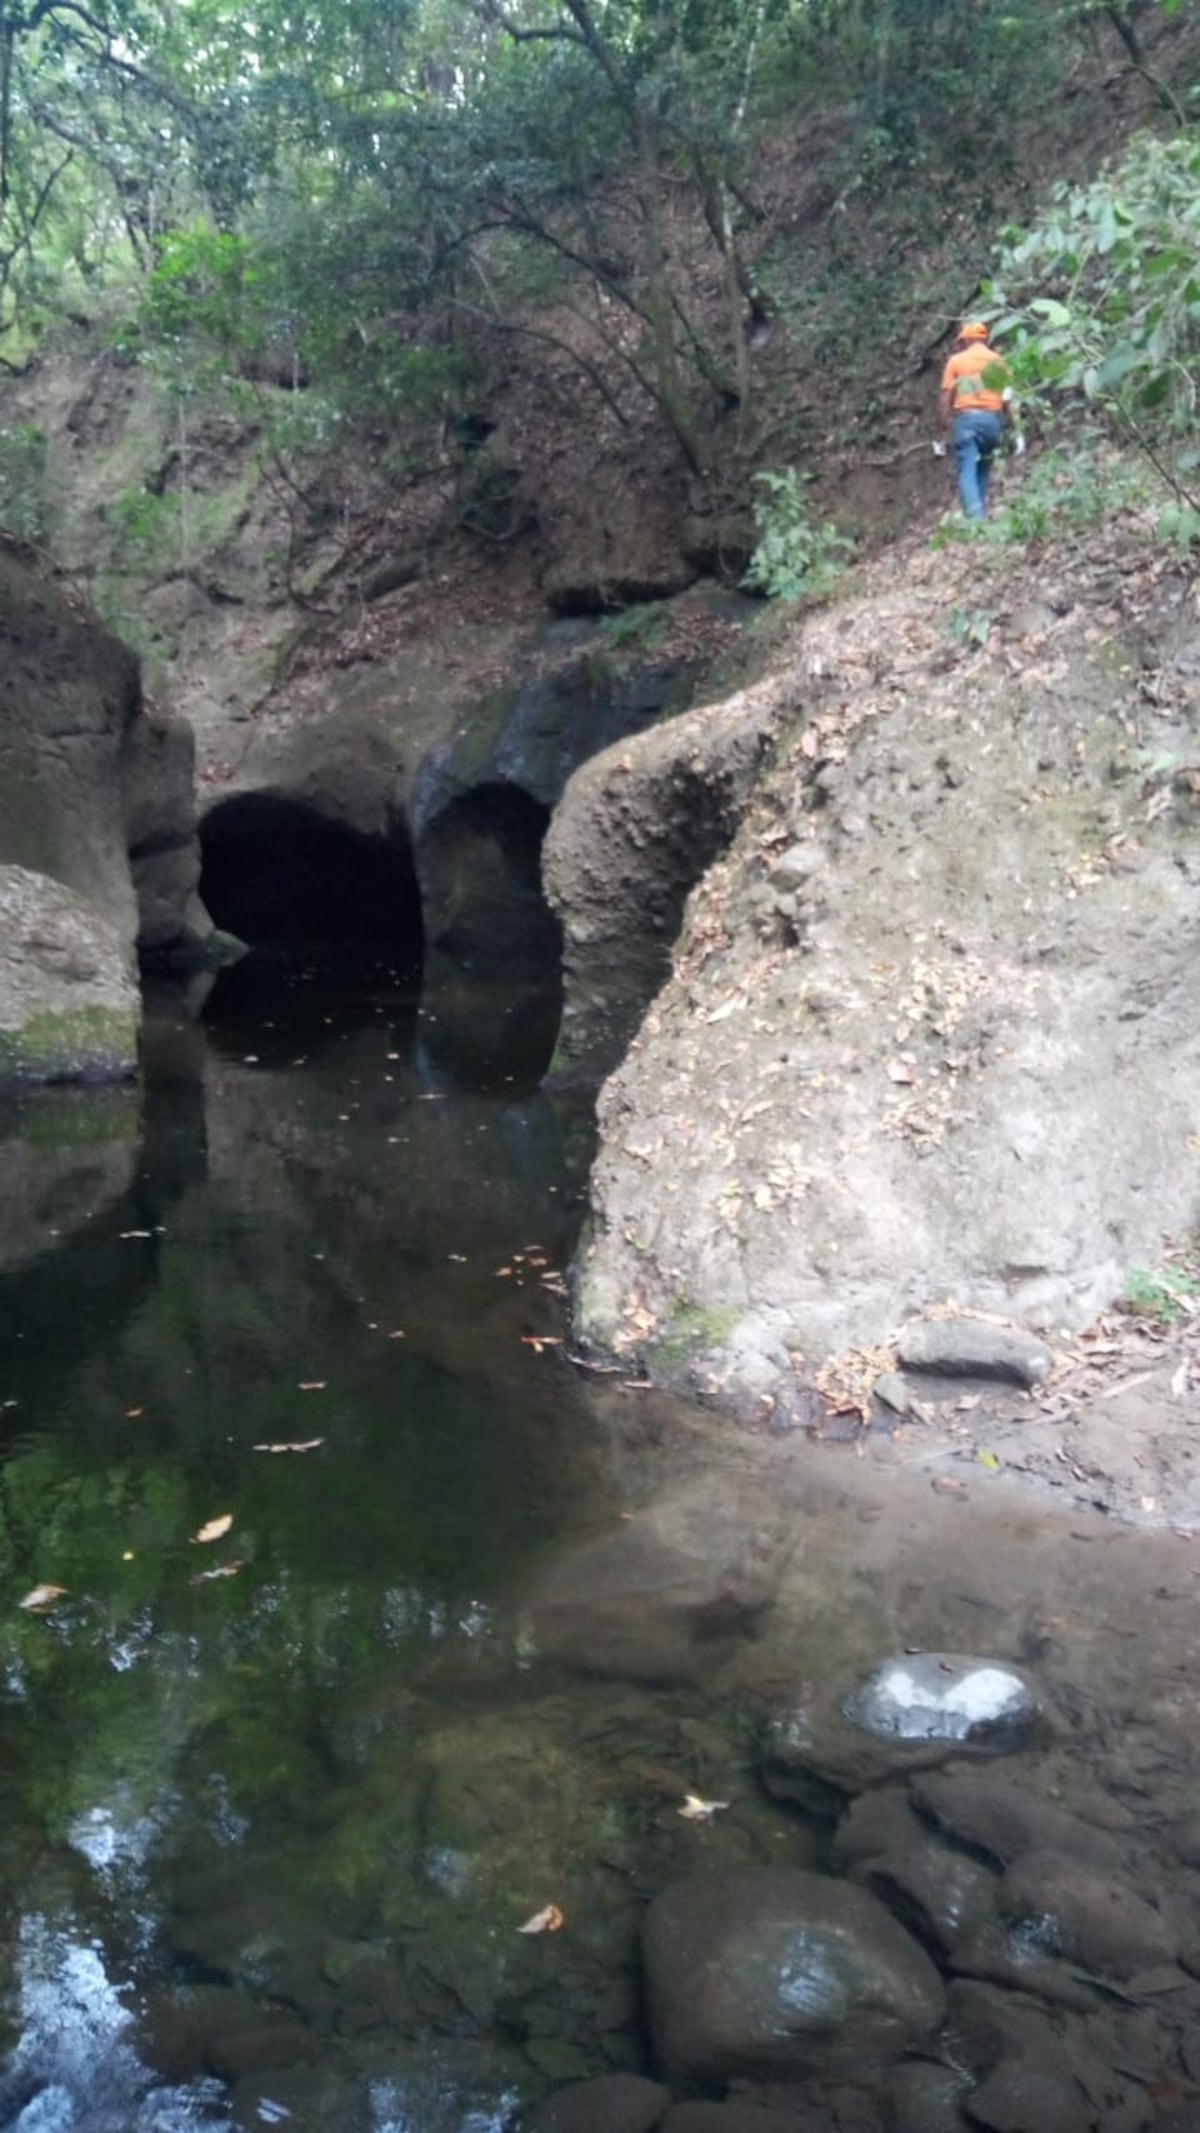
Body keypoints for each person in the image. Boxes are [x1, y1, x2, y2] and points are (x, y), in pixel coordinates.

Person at [938, 320, 1009, 520]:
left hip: (967, 421)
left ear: (966, 340)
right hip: (992, 421)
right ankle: (979, 515)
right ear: (984, 339)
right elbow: (1008, 396)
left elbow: (945, 397)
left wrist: (943, 425)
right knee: (983, 468)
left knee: (967, 470)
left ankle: (976, 521)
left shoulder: (956, 361)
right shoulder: (998, 361)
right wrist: (1014, 426)